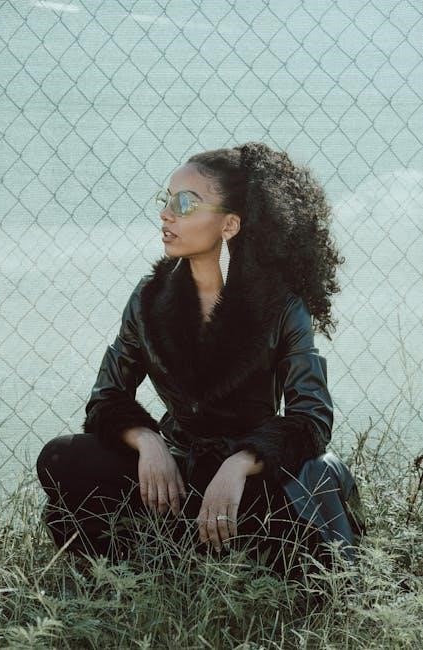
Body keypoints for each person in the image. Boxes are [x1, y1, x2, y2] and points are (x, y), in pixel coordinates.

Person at [36, 141, 366, 575]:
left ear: (229, 224)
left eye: (185, 203)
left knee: (320, 473)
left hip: (249, 484)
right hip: (173, 477)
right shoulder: (149, 298)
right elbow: (106, 398)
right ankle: (146, 564)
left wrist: (240, 464)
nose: (165, 214)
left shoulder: (281, 306)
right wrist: (148, 442)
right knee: (60, 457)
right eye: (166, 199)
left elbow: (311, 417)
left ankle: (269, 566)